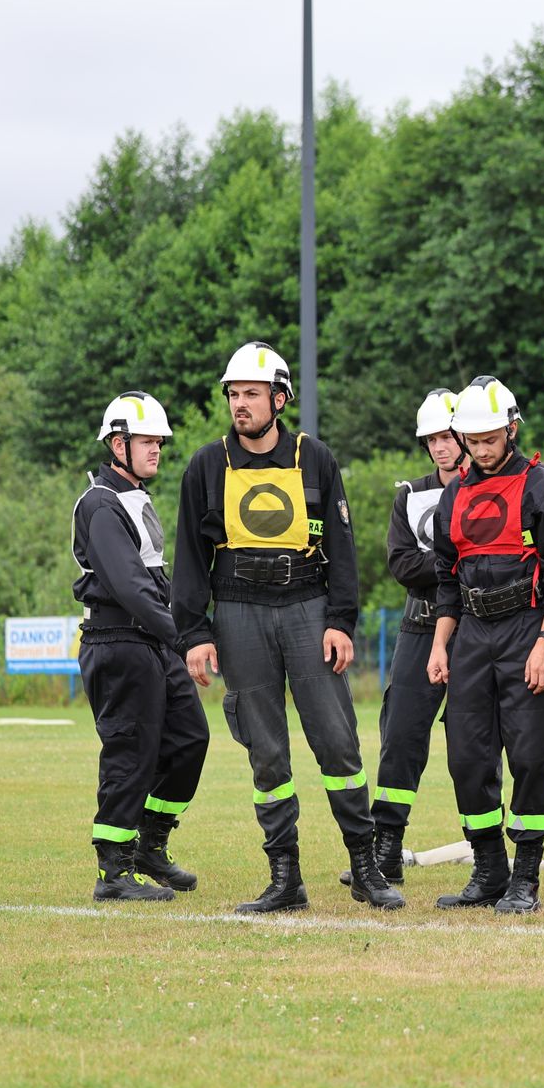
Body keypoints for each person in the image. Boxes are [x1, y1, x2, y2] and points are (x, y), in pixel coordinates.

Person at [173, 341, 401, 914]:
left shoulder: (313, 457)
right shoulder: (206, 465)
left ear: (279, 398)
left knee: (337, 741)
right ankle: (285, 877)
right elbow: (190, 559)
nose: (240, 404)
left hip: (307, 608)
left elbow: (342, 548)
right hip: (238, 613)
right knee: (267, 754)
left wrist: (340, 620)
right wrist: (195, 633)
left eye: (250, 394)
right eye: (233, 394)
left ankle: (366, 868)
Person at [426, 377, 544, 914]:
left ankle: (526, 878)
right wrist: (440, 644)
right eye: (472, 440)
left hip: (527, 627)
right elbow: (446, 577)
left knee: (533, 757)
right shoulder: (455, 493)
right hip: (471, 632)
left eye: (491, 438)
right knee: (466, 757)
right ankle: (490, 869)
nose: (482, 449)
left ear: (512, 429)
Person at [73, 392, 212, 902]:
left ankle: (151, 845)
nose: (156, 449)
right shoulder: (99, 504)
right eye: (147, 441)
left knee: (189, 739)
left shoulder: (135, 497)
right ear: (118, 444)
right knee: (130, 753)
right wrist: (182, 636)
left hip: (152, 641)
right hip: (118, 641)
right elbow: (130, 585)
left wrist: (194, 632)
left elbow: (157, 580)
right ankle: (113, 872)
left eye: (159, 441)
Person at [332, 388, 466, 890]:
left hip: (475, 629)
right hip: (419, 625)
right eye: (432, 439)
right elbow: (402, 564)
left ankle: (489, 847)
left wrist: (446, 566)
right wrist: (458, 564)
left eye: (448, 436)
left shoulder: (490, 489)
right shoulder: (410, 493)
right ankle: (386, 848)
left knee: (473, 739)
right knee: (402, 736)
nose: (440, 447)